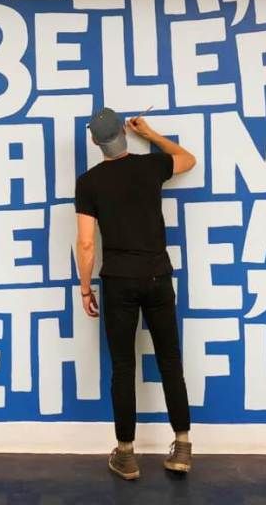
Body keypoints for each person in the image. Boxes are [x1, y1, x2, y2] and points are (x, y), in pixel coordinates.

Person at [75, 106, 196, 481]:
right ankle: (182, 446)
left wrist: (84, 288)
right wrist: (152, 134)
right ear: (124, 136)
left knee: (123, 366)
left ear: (95, 141)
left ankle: (126, 455)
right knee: (170, 360)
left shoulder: (89, 182)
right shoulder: (150, 168)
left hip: (119, 281)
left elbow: (85, 245)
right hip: (158, 276)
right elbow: (187, 159)